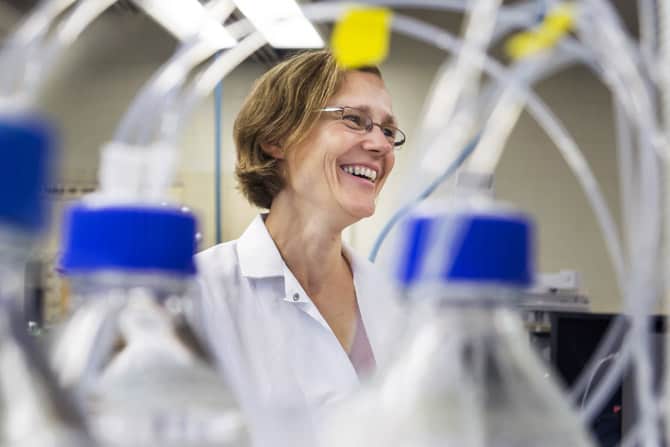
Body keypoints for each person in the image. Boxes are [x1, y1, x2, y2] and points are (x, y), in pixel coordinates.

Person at [195, 49, 406, 430]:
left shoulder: (392, 298)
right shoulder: (200, 292)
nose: (381, 146)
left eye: (388, 131)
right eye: (355, 120)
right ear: (278, 136)